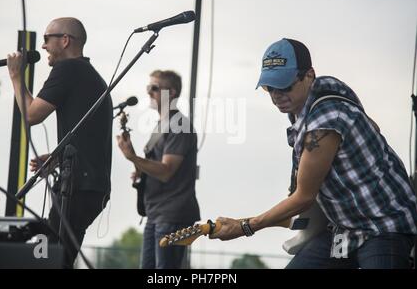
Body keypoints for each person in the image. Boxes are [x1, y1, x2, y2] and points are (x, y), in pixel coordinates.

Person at [209, 38, 417, 269]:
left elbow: (304, 197)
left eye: (285, 85)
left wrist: (245, 226)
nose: (277, 95)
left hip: (384, 225)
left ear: (309, 74)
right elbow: (373, 126)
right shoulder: (325, 89)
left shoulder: (324, 122)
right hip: (344, 229)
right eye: (270, 87)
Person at [6, 17, 113, 268]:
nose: (43, 46)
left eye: (46, 39)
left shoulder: (69, 69)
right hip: (88, 187)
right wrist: (57, 157)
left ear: (65, 41)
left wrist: (15, 76)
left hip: (79, 186)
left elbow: (32, 115)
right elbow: (87, 135)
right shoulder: (88, 75)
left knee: (49, 260)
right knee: (53, 256)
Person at [117, 70, 200, 269]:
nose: (149, 93)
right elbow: (157, 166)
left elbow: (166, 171)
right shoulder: (162, 124)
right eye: (148, 88)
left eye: (154, 88)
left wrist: (132, 157)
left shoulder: (179, 125)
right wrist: (140, 168)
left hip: (172, 216)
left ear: (171, 93)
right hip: (156, 213)